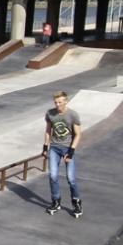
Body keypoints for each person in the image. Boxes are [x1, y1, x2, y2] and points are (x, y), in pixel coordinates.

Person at [43, 90, 82, 218]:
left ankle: (76, 202)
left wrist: (71, 153)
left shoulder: (73, 115)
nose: (58, 105)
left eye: (60, 102)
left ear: (66, 101)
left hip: (67, 148)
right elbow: (48, 130)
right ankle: (56, 201)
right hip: (54, 148)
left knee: (71, 178)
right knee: (53, 176)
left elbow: (78, 135)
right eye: (56, 102)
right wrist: (45, 147)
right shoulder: (50, 114)